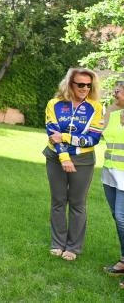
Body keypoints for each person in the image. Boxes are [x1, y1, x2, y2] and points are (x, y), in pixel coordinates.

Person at [45, 67, 103, 261]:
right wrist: (64, 157)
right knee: (58, 201)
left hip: (84, 161)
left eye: (88, 85)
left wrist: (66, 137)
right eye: (80, 84)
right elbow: (52, 134)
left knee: (78, 203)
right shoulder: (54, 104)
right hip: (56, 158)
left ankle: (73, 246)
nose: (85, 88)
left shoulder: (96, 107)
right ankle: (57, 243)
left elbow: (93, 139)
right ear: (70, 84)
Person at [101, 79, 124, 288]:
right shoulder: (112, 112)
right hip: (110, 174)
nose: (115, 93)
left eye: (119, 90)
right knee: (118, 219)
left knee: (122, 217)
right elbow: (96, 133)